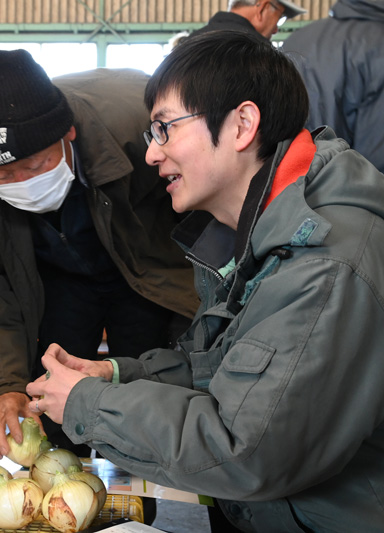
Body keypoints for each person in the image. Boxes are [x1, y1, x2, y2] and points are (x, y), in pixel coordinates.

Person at [27, 30, 384, 532]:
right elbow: (227, 373)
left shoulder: (325, 265)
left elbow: (246, 451)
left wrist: (90, 406)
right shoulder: (257, 237)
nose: (152, 155)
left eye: (164, 129)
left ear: (241, 124)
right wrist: (118, 377)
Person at [0, 49, 199, 459]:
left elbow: (208, 220)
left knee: (146, 392)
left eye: (36, 164)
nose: (22, 182)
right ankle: (65, 491)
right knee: (51, 394)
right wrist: (4, 385)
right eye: (4, 176)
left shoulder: (139, 127)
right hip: (57, 281)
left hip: (145, 267)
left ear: (68, 133)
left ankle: (138, 503)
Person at [281, 0, 384, 173]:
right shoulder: (379, 44)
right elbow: (377, 155)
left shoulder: (298, 38)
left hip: (288, 187)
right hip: (350, 191)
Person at [186, 0, 306, 41]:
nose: (275, 30)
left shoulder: (188, 42)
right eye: (279, 18)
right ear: (262, 8)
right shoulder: (258, 51)